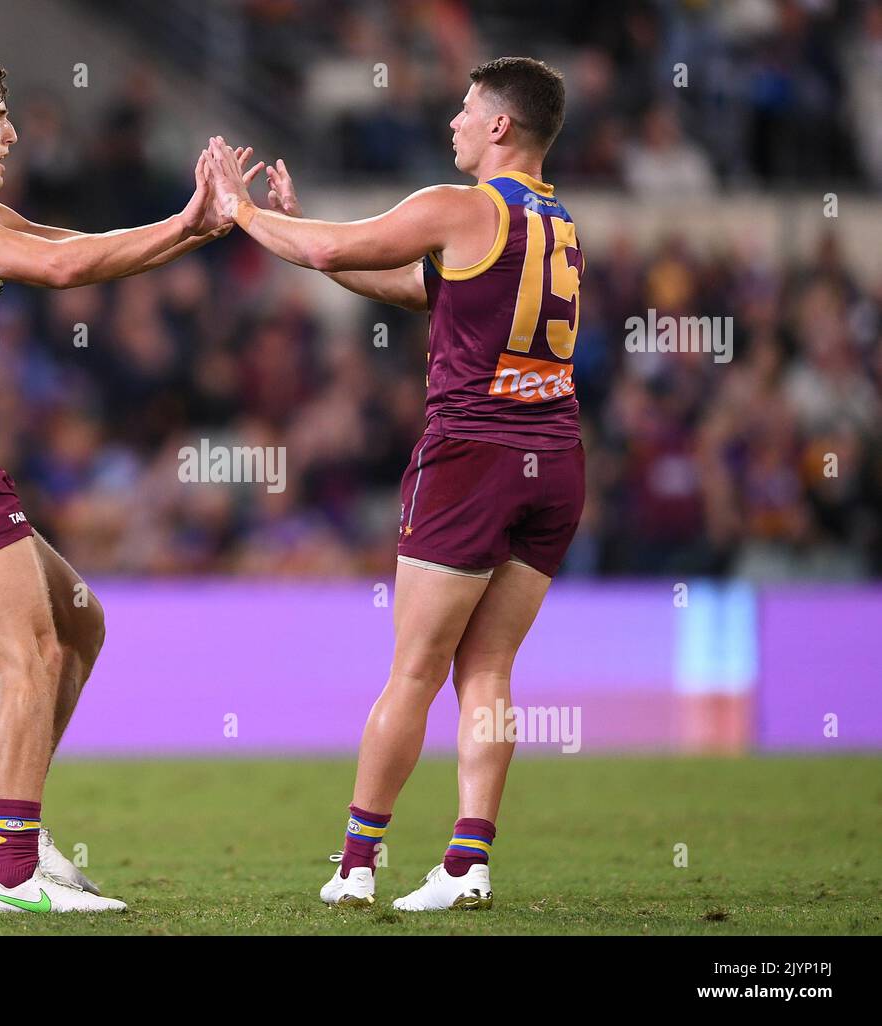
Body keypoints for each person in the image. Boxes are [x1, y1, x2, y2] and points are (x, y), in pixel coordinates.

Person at [0, 46, 260, 913]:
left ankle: (10, 821)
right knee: (32, 653)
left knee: (78, 626)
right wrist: (187, 225)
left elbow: (77, 245)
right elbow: (66, 271)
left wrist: (190, 223)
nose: (12, 130)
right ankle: (13, 879)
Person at [203, 57, 584, 911]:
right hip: (555, 458)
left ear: (500, 127)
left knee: (414, 669)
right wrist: (302, 241)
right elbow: (419, 287)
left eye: (464, 109)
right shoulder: (557, 222)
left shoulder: (457, 206)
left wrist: (246, 213)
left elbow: (340, 243)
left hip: (471, 455)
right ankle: (469, 861)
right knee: (488, 670)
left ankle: (358, 861)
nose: (452, 122)